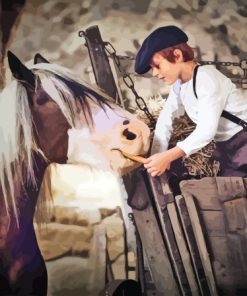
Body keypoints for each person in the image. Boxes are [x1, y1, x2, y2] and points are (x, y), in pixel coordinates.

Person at [135, 25, 247, 178]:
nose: (154, 73)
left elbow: (206, 130)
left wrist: (168, 156)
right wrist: (157, 156)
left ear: (177, 55)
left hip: (243, 140)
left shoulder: (206, 78)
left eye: (157, 66)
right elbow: (166, 119)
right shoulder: (180, 86)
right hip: (228, 147)